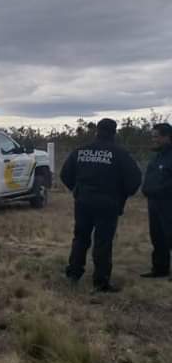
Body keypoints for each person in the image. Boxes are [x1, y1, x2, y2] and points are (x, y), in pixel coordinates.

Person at [61, 118, 142, 293]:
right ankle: (101, 282)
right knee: (103, 242)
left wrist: (76, 190)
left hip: (83, 202)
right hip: (108, 204)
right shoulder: (120, 153)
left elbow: (65, 174)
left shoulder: (81, 151)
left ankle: (73, 274)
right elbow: (134, 180)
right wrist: (122, 196)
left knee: (80, 238)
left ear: (96, 131)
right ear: (114, 133)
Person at [141, 123, 172, 279]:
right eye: (152, 136)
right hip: (154, 203)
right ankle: (160, 268)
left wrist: (160, 191)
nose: (154, 139)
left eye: (156, 136)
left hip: (168, 203)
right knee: (157, 236)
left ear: (167, 137)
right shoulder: (157, 156)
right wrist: (146, 189)